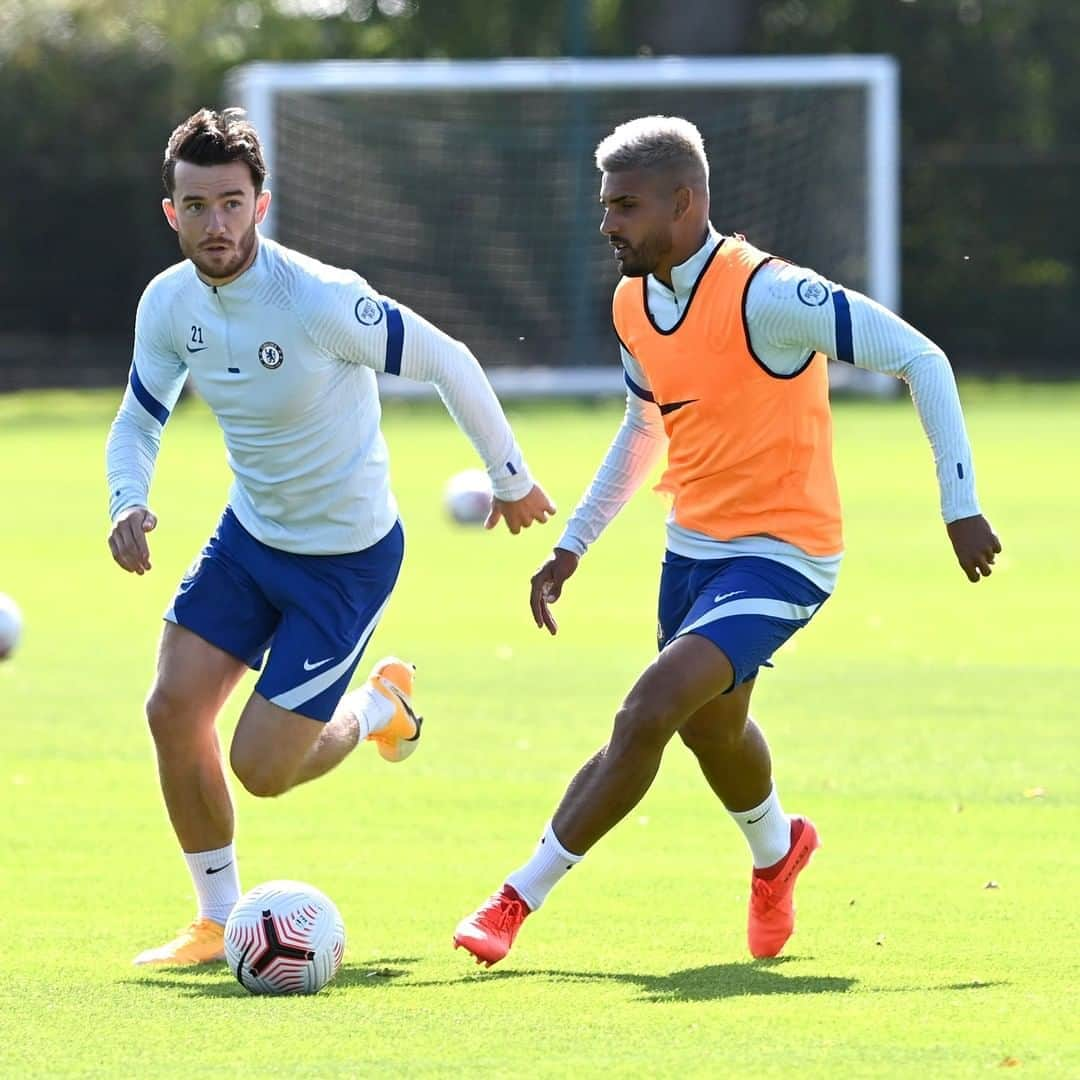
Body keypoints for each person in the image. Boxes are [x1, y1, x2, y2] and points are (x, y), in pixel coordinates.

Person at [453, 115, 1001, 967]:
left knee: (647, 713)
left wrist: (958, 503)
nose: (609, 225)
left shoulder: (771, 294)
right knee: (714, 730)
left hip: (788, 553)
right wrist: (574, 545)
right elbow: (644, 429)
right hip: (692, 551)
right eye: (606, 207)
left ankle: (515, 898)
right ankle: (779, 853)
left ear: (686, 201)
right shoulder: (633, 300)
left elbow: (921, 358)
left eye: (626, 207)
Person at [106, 107, 555, 967]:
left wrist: (512, 479)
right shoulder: (167, 305)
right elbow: (138, 417)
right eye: (196, 207)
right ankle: (216, 919)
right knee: (171, 710)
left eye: (231, 203)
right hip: (249, 536)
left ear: (261, 204)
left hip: (344, 561)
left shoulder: (319, 299)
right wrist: (128, 500)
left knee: (263, 769)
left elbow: (449, 359)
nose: (215, 225)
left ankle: (381, 707)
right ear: (171, 213)